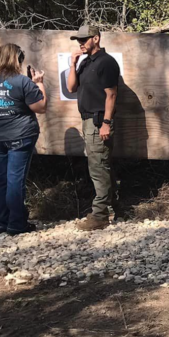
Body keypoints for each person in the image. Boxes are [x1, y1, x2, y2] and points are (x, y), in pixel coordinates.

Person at [0, 43, 46, 235]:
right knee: (15, 180)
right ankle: (16, 223)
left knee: (0, 179)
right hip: (20, 135)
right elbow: (40, 107)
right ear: (17, 59)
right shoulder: (22, 81)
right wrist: (39, 83)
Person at [65, 24, 120, 230]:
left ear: (96, 38)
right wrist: (73, 64)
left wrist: (106, 123)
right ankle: (110, 208)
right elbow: (71, 87)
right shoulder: (85, 63)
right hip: (88, 120)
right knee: (99, 165)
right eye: (78, 40)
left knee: (98, 167)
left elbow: (111, 94)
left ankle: (100, 215)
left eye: (84, 39)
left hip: (98, 121)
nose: (80, 43)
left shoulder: (106, 62)